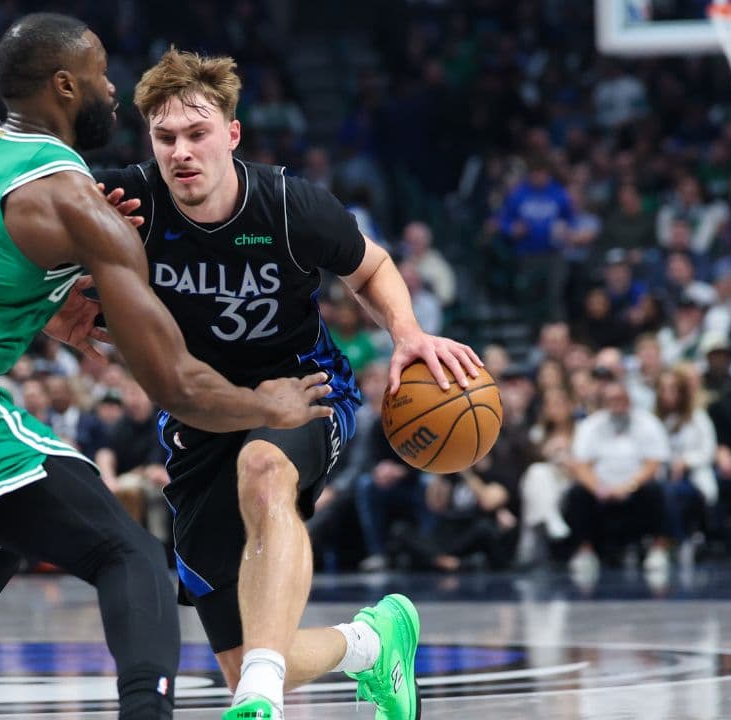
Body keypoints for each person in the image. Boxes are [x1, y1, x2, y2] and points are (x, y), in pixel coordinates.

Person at [0, 15, 331, 720]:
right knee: (134, 558)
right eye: (100, 75)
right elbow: (176, 385)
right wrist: (269, 408)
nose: (112, 90)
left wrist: (57, 291)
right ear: (64, 85)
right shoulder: (70, 197)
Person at [93, 48, 482, 720]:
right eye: (165, 138)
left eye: (197, 134)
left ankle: (264, 699)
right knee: (242, 667)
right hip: (198, 415)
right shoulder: (128, 205)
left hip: (303, 390)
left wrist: (408, 333)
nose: (181, 152)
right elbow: (35, 241)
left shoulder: (288, 204)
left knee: (266, 466)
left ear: (232, 134)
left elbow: (372, 267)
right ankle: (371, 643)